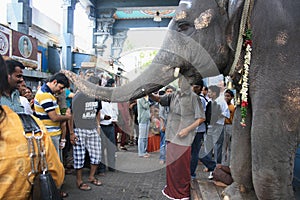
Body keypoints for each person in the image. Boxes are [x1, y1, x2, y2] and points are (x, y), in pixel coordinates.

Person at [0, 54, 64, 199]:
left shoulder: (19, 98)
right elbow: (55, 176)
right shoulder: (34, 128)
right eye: (18, 76)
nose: (21, 80)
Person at [149, 77, 205, 200]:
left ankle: (182, 192)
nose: (181, 82)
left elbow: (201, 118)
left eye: (183, 80)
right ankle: (171, 189)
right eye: (180, 80)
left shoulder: (194, 97)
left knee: (181, 168)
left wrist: (187, 129)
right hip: (171, 136)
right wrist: (148, 92)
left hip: (184, 139)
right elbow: (159, 99)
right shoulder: (174, 95)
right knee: (172, 166)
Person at [69, 76, 102, 191]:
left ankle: (91, 177)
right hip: (79, 129)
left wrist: (98, 125)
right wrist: (72, 132)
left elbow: (98, 111)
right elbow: (71, 115)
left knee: (97, 155)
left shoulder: (97, 97)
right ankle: (79, 181)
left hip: (92, 129)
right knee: (79, 157)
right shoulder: (79, 96)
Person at [34, 72, 72, 161]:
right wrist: (67, 117)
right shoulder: (45, 95)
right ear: (54, 82)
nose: (61, 90)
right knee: (54, 163)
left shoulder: (48, 94)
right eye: (61, 87)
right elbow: (54, 117)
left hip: (52, 133)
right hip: (50, 134)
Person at [190, 79, 213, 179]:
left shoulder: (200, 99)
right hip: (193, 129)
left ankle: (192, 173)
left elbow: (199, 117)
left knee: (195, 152)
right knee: (196, 152)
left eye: (194, 86)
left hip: (197, 130)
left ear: (199, 88)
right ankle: (212, 165)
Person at [98, 78, 117, 174]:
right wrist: (103, 117)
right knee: (101, 148)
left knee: (111, 148)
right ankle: (101, 169)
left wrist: (114, 119)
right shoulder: (100, 101)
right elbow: (97, 113)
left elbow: (115, 113)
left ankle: (112, 166)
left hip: (111, 126)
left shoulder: (113, 102)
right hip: (102, 126)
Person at [158, 86, 174, 164]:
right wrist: (163, 125)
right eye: (168, 91)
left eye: (171, 91)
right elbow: (161, 115)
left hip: (173, 125)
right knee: (163, 142)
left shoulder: (175, 101)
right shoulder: (163, 101)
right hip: (165, 123)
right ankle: (162, 157)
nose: (170, 93)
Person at [221, 89, 235, 166]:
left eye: (228, 96)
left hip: (230, 126)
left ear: (232, 97)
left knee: (230, 146)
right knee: (223, 146)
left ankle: (229, 163)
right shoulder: (222, 106)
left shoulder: (232, 107)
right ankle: (223, 163)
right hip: (222, 126)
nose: (226, 97)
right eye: (225, 96)